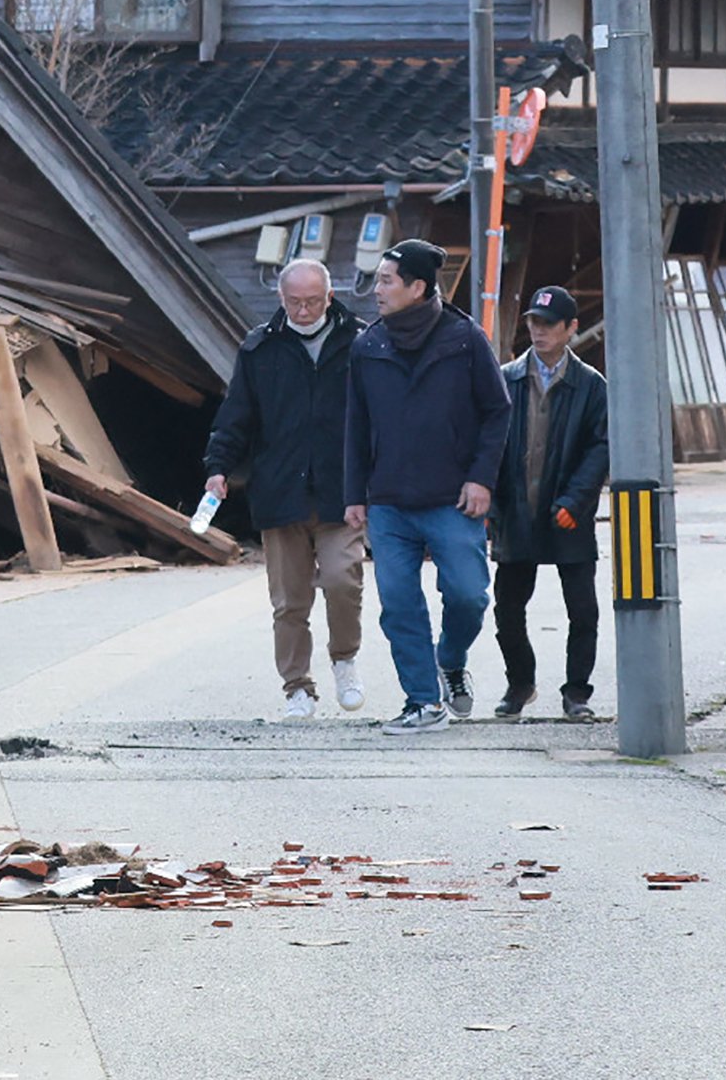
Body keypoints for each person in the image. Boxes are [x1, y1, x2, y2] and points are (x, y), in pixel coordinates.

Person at [342, 237, 510, 733]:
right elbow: (356, 423)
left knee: (468, 596)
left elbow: (497, 411)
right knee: (398, 603)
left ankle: (450, 660)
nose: (377, 290)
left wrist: (482, 479)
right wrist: (355, 494)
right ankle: (422, 701)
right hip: (390, 501)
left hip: (453, 499)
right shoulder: (368, 346)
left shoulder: (464, 339)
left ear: (417, 287)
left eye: (387, 281)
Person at [201, 258, 364, 721]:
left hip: (341, 489)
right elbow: (236, 416)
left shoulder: (361, 342)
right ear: (281, 299)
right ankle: (297, 685)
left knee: (342, 579)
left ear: (329, 297)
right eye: (295, 301)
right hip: (280, 490)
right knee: (290, 601)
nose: (304, 309)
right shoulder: (259, 349)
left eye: (313, 301)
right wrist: (218, 467)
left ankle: (344, 660)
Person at [490, 285, 609, 722]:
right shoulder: (507, 379)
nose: (539, 332)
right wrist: (490, 502)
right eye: (533, 324)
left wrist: (576, 500)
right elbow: (488, 443)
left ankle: (577, 692)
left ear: (571, 329)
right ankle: (520, 683)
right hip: (516, 511)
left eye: (549, 325)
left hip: (567, 514)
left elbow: (600, 449)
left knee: (582, 610)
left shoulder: (591, 386)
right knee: (507, 610)